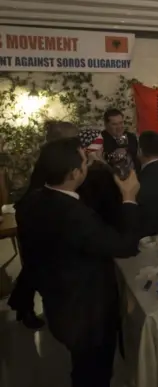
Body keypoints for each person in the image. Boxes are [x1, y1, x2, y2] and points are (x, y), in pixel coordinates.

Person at [16, 137, 142, 387]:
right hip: (86, 315)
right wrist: (129, 197)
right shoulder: (74, 216)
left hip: (59, 303)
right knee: (94, 374)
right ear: (75, 173)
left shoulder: (33, 201)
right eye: (85, 160)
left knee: (82, 368)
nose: (88, 162)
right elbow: (125, 246)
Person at [8, 120, 79, 329]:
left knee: (36, 264)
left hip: (35, 212)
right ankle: (24, 306)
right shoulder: (51, 160)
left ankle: (21, 304)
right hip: (33, 215)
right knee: (36, 265)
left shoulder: (51, 156)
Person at [101, 108, 140, 173]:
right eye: (114, 124)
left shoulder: (131, 137)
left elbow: (137, 157)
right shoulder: (100, 140)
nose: (119, 127)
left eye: (121, 123)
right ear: (106, 125)